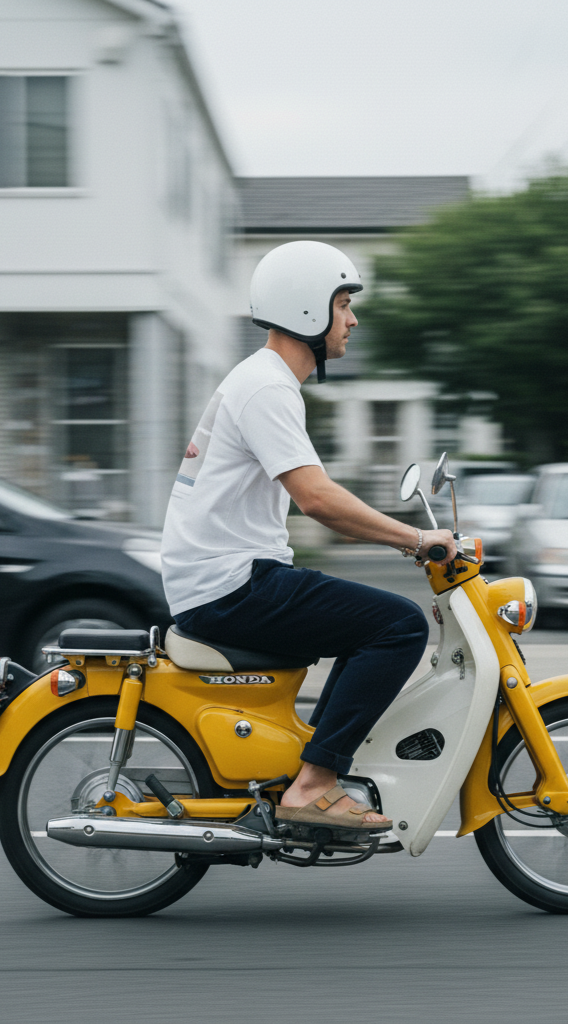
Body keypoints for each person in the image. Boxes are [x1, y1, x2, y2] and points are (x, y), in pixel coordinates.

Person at [161, 240, 457, 831]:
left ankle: (311, 769)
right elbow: (318, 499)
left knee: (362, 623)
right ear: (306, 311)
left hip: (227, 578)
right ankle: (315, 785)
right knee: (397, 625)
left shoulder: (263, 382)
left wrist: (402, 537)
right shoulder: (267, 387)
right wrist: (416, 539)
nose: (353, 318)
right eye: (343, 303)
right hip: (232, 585)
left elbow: (319, 492)